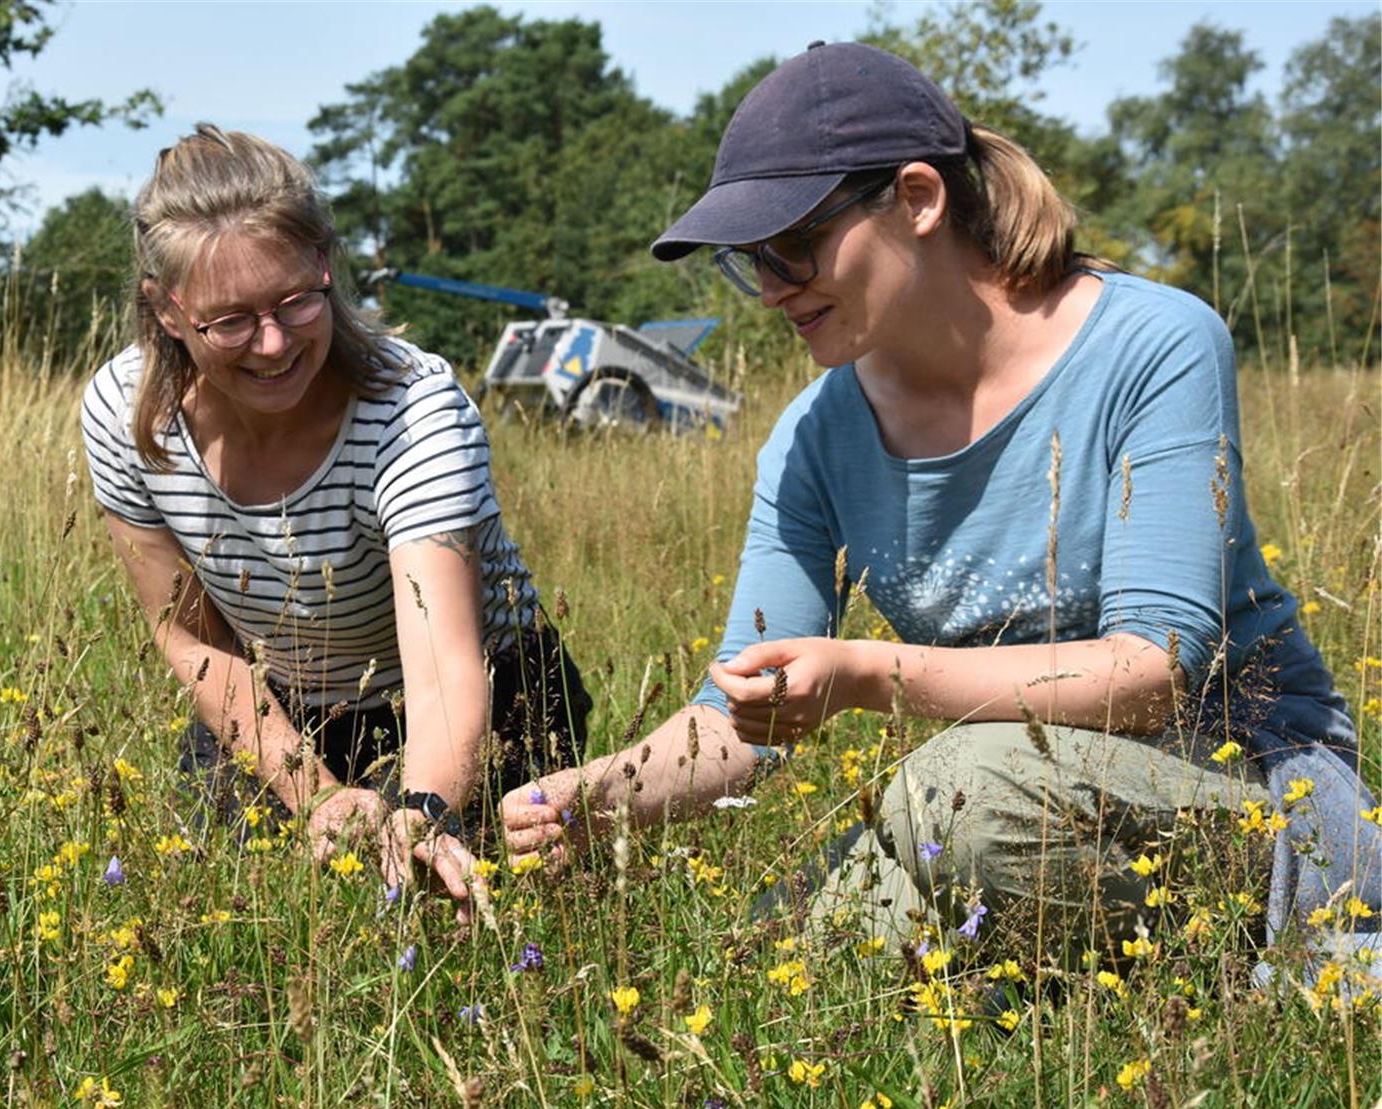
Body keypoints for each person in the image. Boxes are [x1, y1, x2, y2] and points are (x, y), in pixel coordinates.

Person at [500, 43, 1378, 974]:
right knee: (781, 970)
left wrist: (871, 675)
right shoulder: (811, 437)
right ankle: (1102, 997)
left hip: (1253, 789)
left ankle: (1294, 974)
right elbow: (736, 715)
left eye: (793, 244)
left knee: (956, 792)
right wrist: (594, 795)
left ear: (919, 199)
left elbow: (1151, 672)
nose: (770, 287)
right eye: (746, 260)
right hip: (1002, 810)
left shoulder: (1153, 344)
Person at [83, 124, 590, 915]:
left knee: (433, 911)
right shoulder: (123, 415)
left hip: (492, 694)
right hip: (294, 700)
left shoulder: (411, 410)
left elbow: (444, 665)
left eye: (295, 300)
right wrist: (313, 790)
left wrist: (425, 811)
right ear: (167, 310)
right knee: (227, 914)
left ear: (326, 263)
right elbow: (190, 636)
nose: (275, 343)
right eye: (231, 321)